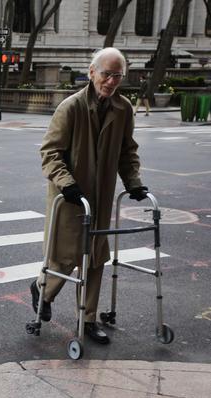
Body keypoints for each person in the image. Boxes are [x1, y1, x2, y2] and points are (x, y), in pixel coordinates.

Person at [30, 47, 150, 345]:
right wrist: (66, 183)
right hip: (69, 197)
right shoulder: (70, 108)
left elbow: (127, 151)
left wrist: (133, 182)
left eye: (118, 75)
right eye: (107, 74)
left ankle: (88, 318)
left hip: (101, 196)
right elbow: (50, 153)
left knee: (96, 257)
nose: (111, 81)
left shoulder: (123, 109)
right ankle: (41, 290)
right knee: (64, 256)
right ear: (92, 72)